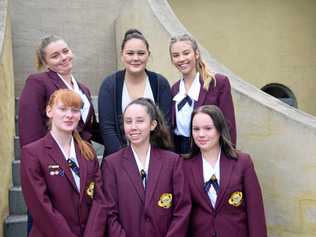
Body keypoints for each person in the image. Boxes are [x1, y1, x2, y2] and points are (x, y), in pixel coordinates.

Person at [20, 89, 106, 237]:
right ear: (49, 111)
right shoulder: (33, 153)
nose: (69, 115)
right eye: (62, 109)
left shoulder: (89, 151)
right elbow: (41, 207)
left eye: (75, 110)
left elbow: (100, 200)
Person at [101, 98, 190, 237]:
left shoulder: (172, 161)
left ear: (153, 124)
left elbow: (182, 208)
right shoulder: (111, 164)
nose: (133, 127)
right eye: (128, 121)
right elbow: (109, 213)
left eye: (140, 121)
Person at [183, 105, 267, 237]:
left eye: (208, 128)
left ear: (220, 129)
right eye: (196, 129)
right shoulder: (184, 165)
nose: (201, 134)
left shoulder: (242, 162)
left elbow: (255, 212)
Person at [98, 29, 172, 157]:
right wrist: (126, 161)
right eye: (130, 53)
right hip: (118, 160)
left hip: (155, 159)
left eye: (141, 53)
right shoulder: (110, 85)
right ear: (122, 55)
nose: (135, 58)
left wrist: (151, 159)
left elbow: (166, 125)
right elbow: (107, 129)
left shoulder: (160, 83)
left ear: (148, 54)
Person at [19, 34, 101, 147]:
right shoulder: (38, 82)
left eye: (66, 51)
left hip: (84, 156)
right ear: (45, 63)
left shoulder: (84, 89)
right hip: (54, 155)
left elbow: (89, 128)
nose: (63, 57)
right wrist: (34, 159)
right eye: (55, 56)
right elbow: (29, 128)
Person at [169, 34, 236, 154]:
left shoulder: (218, 83)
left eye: (186, 53)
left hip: (209, 151)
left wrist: (228, 157)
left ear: (196, 54)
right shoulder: (174, 89)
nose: (181, 59)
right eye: (176, 55)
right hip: (180, 154)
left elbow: (228, 126)